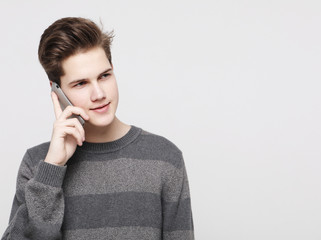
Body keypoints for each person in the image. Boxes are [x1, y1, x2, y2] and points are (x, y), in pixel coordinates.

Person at [2, 17, 194, 240]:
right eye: (81, 83)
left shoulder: (165, 158)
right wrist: (52, 168)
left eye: (104, 76)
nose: (99, 94)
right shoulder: (38, 164)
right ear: (56, 91)